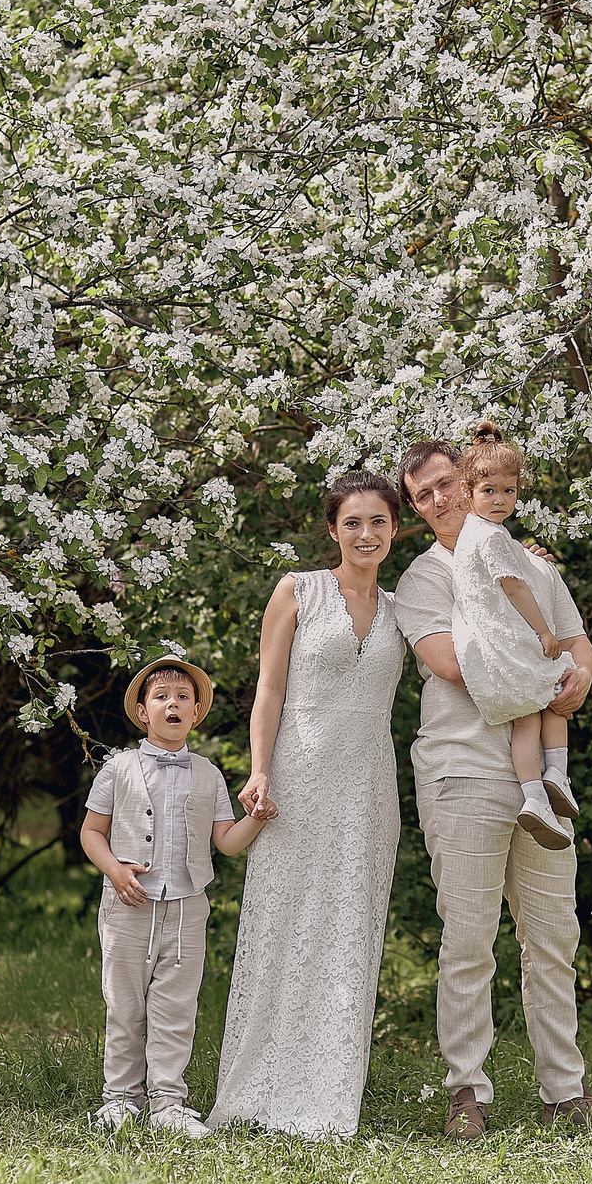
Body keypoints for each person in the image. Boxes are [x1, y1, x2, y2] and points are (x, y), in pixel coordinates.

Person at [393, 436, 592, 1139]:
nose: (439, 499)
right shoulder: (425, 579)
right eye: (422, 494)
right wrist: (551, 677)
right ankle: (466, 1090)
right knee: (469, 939)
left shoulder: (528, 562)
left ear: (472, 479)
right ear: (416, 508)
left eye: (446, 482)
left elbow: (577, 643)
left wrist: (576, 681)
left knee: (553, 936)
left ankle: (564, 1088)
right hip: (463, 772)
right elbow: (456, 664)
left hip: (541, 775)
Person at [208, 470, 409, 1138]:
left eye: (378, 521)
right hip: (295, 779)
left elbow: (475, 597)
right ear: (332, 528)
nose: (366, 533)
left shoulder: (405, 607)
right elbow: (268, 688)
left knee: (349, 934)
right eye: (352, 521)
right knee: (280, 927)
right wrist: (259, 769)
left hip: (368, 788)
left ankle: (324, 1100)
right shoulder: (298, 588)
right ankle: (256, 1091)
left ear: (394, 529)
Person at [81, 654, 274, 1137]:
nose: (173, 704)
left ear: (196, 712)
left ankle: (168, 1100)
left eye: (182, 698)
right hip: (129, 905)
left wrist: (258, 817)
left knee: (175, 1006)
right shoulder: (117, 768)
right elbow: (90, 832)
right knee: (124, 1003)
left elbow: (226, 842)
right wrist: (114, 870)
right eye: (161, 697)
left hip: (188, 906)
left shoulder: (207, 774)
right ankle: (121, 1098)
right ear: (143, 711)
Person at [448, 421, 583, 849]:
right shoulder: (490, 537)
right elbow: (514, 587)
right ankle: (557, 773)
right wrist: (545, 631)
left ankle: (534, 796)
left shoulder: (475, 535)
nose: (500, 500)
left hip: (488, 655)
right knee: (557, 689)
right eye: (489, 491)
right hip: (509, 646)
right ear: (467, 492)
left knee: (526, 721)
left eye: (508, 491)